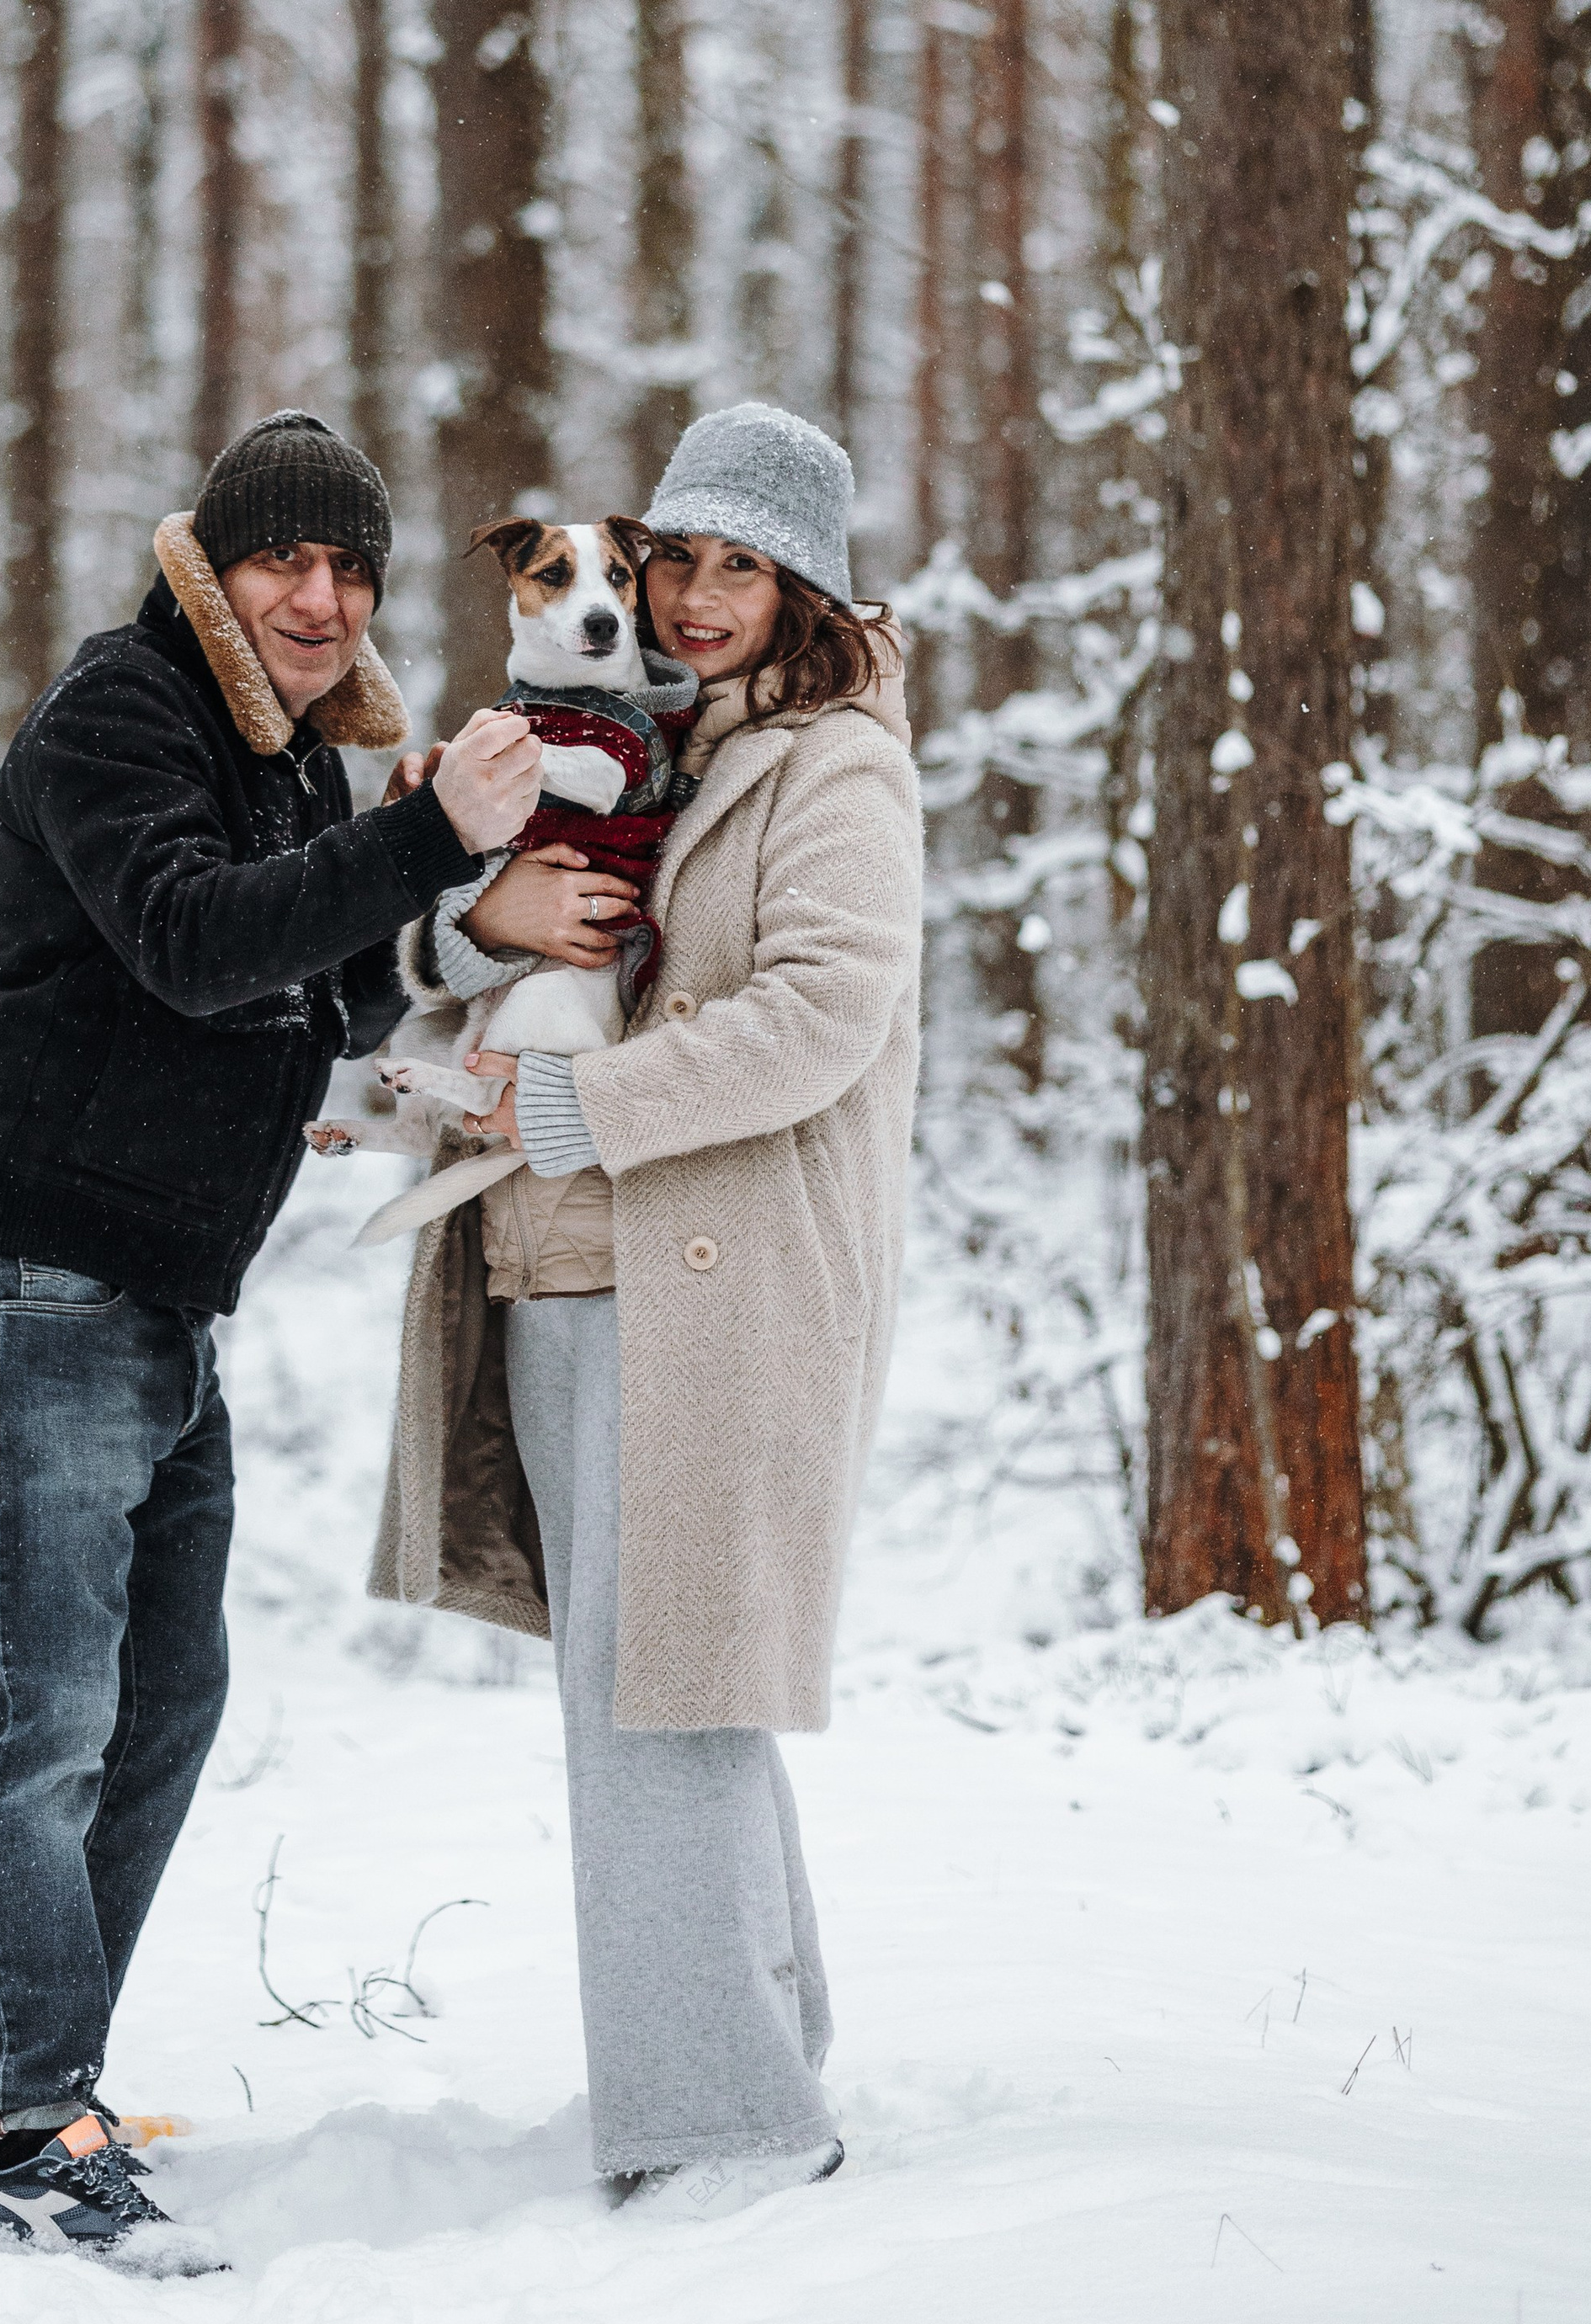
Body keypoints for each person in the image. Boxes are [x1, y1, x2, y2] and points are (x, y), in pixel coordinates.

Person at [0, 410, 541, 2273]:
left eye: (349, 568)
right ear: (211, 568)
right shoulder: (125, 712)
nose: (319, 597)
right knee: (40, 1716)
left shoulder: (277, 763)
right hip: (28, 1276)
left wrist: (445, 914)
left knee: (161, 1703)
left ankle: (35, 2070)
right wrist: (425, 832)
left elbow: (304, 980)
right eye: (285, 562)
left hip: (157, 1295)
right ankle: (20, 2124)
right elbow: (189, 943)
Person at [370, 401, 922, 2219]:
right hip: (573, 1269)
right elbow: (496, 938)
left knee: (657, 1695)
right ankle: (763, 2051)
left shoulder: (833, 763)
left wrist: (564, 1108)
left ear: (804, 588)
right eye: (673, 557)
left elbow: (821, 1015)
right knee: (672, 1686)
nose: (688, 596)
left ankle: (718, 2126)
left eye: (734, 565)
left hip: (707, 1281)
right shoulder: (659, 747)